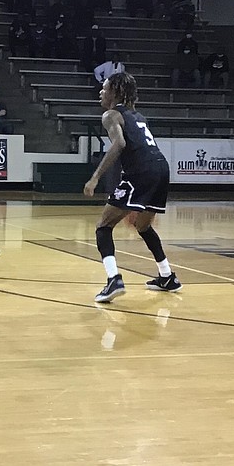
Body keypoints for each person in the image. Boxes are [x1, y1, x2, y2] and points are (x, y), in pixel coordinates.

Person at [83, 72, 182, 303]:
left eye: (104, 88)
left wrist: (95, 177)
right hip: (161, 168)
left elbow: (120, 144)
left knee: (103, 226)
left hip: (141, 172)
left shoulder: (110, 115)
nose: (100, 92)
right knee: (143, 225)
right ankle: (167, 276)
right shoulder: (138, 116)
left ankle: (113, 279)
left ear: (115, 92)